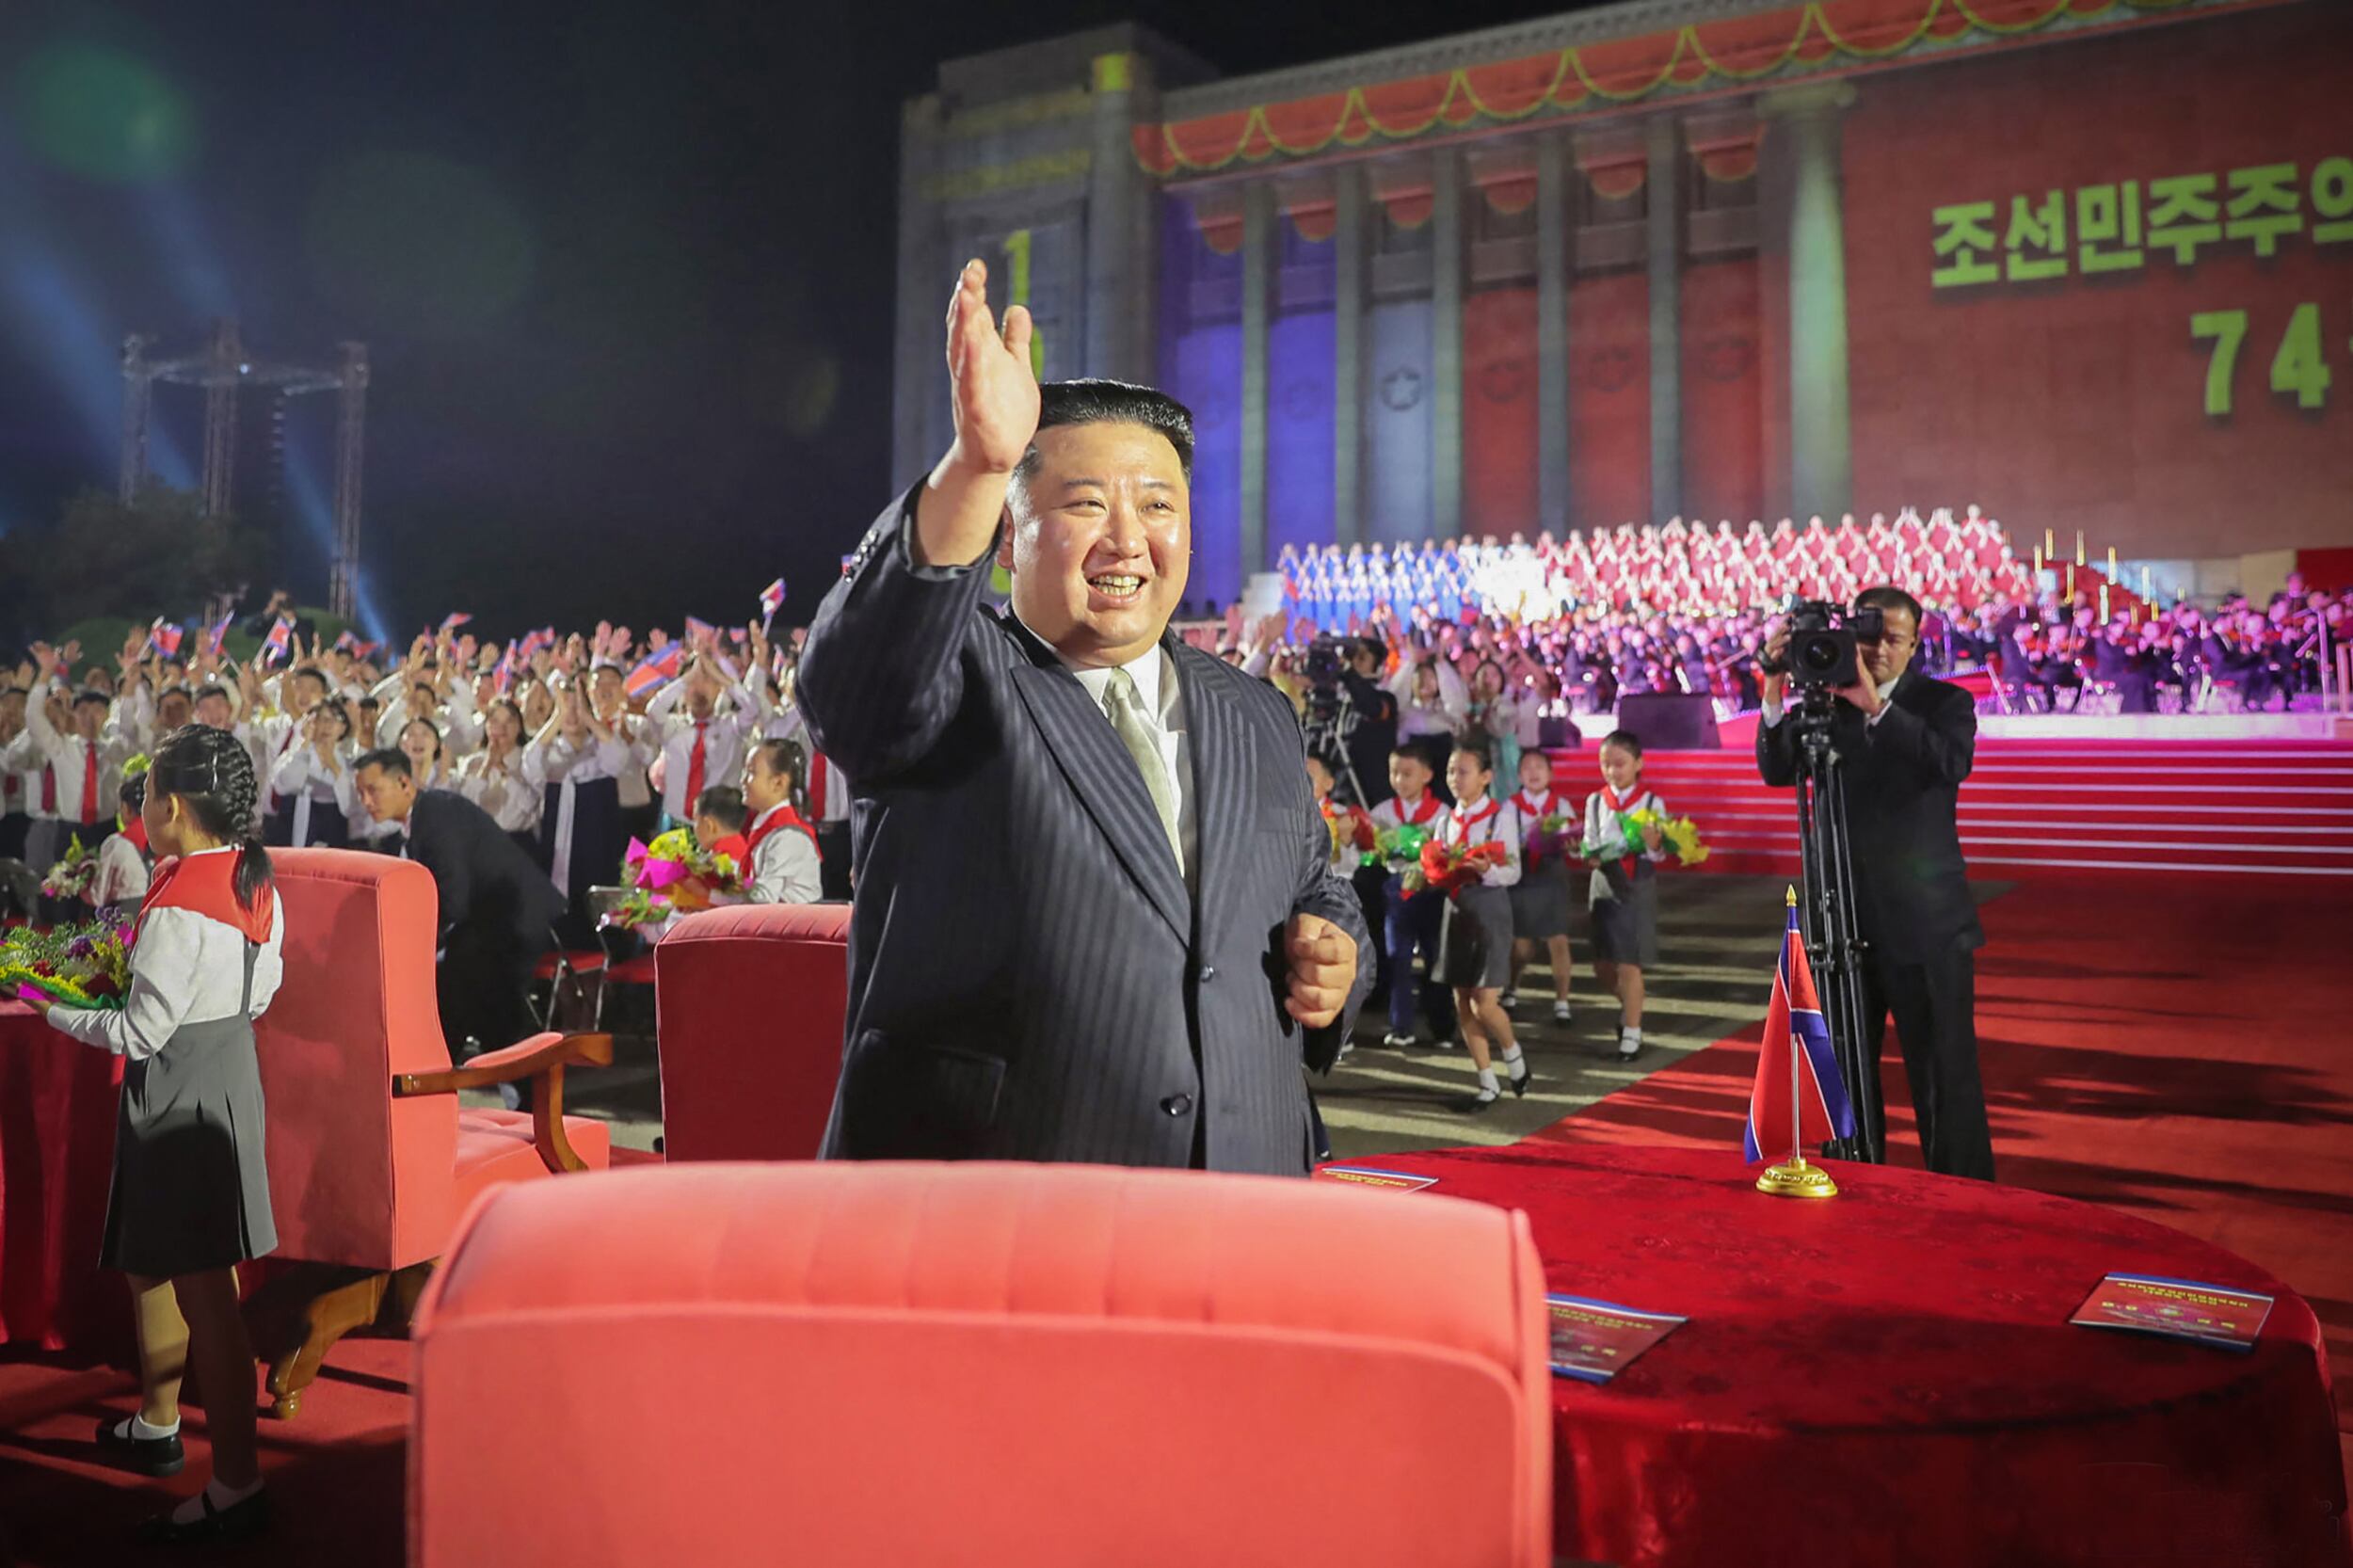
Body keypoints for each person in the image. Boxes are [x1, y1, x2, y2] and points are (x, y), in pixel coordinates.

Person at [793, 258, 1369, 1173]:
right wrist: (977, 467)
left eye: (1157, 506)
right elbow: (855, 687)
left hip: (1246, 1183)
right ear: (1008, 535)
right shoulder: (959, 677)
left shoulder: (1255, 710)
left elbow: (1312, 886)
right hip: (1001, 1198)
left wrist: (1339, 955)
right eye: (1087, 504)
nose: (1127, 539)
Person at [29, 724, 280, 1543]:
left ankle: (237, 1485)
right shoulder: (252, 875)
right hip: (228, 1070)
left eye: (143, 796)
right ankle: (159, 1422)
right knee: (153, 1261)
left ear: (169, 807)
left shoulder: (176, 907)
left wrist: (46, 1003)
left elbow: (138, 1035)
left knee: (207, 1292)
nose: (138, 809)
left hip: (178, 1092)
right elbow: (264, 990)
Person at [1757, 586, 1993, 1179]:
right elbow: (1776, 768)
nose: (1880, 650)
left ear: (1914, 645)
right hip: (1839, 924)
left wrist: (1876, 708)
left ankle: (1963, 1195)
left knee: (1944, 1076)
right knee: (1844, 1077)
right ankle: (1855, 1184)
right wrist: (1773, 686)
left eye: (1894, 639)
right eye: (1869, 637)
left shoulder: (1944, 703)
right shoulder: (1824, 705)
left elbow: (1949, 763)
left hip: (1926, 926)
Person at [352, 749, 564, 1087]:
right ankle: (435, 1084)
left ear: (404, 782)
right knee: (474, 1008)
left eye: (373, 790)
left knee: (468, 1003)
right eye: (360, 792)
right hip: (487, 927)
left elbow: (453, 899)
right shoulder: (422, 817)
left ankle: (429, 1085)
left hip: (512, 922)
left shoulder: (436, 815)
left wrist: (412, 948)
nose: (366, 801)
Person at [1438, 738, 1528, 1110]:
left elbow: (1513, 871)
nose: (1454, 778)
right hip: (1456, 909)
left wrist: (1487, 869)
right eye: (1450, 771)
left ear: (1486, 777)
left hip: (1490, 907)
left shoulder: (1500, 817)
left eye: (1463, 771)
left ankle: (1513, 1054)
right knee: (1462, 998)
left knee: (1485, 1002)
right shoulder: (1445, 820)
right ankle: (1487, 1081)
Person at [1581, 730, 1667, 1063]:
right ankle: (1629, 1007)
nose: (1612, 771)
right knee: (1603, 965)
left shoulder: (1651, 802)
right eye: (1606, 764)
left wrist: (1654, 843)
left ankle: (1632, 1032)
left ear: (1638, 764)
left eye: (1620, 764)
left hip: (1637, 883)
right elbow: (1590, 841)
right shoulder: (1595, 801)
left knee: (1629, 962)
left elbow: (1660, 852)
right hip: (1604, 883)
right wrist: (1588, 853)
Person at [1367, 744, 1451, 1049]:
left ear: (1427, 775)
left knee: (1434, 959)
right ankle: (1401, 1027)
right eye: (1394, 773)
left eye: (1407, 773)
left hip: (1431, 891)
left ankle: (1442, 1028)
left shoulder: (1443, 813)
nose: (1399, 780)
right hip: (1396, 889)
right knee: (1397, 958)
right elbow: (1370, 848)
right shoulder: (1382, 812)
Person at [1502, 748, 1577, 1026]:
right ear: (1519, 775)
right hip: (1522, 878)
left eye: (1539, 767)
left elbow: (1574, 842)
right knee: (1521, 946)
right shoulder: (1510, 807)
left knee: (1559, 940)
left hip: (1552, 877)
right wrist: (1525, 840)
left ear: (1550, 774)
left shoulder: (1561, 806)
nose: (1533, 773)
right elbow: (1503, 844)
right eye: (1527, 768)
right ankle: (1511, 988)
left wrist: (1570, 843)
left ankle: (1562, 1002)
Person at [740, 737, 824, 905]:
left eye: (751, 772)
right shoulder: (766, 825)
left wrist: (711, 896)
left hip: (792, 922)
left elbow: (762, 899)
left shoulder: (788, 836)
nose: (743, 780)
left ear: (778, 782)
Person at [90, 773, 154, 913]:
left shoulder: (116, 844)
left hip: (127, 917)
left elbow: (98, 897)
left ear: (126, 808)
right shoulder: (165, 839)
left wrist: (84, 883)